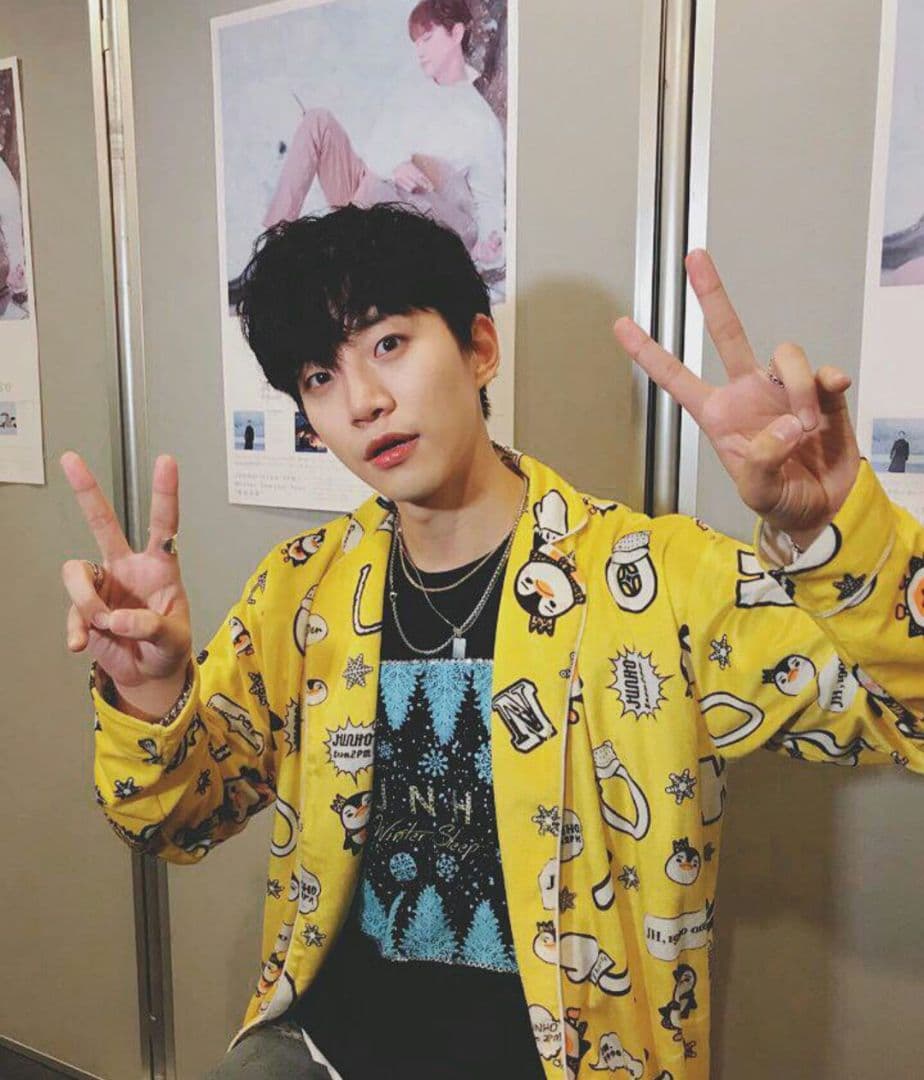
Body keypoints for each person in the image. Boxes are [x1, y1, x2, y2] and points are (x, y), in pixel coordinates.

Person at [61, 204, 924, 1080]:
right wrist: (152, 692)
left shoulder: (656, 582)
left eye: (389, 343)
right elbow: (175, 825)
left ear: (479, 349)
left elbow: (910, 719)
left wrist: (838, 535)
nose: (363, 401)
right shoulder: (301, 590)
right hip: (327, 1050)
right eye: (321, 375)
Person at [228, 0, 505, 307]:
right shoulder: (411, 90)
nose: (420, 51)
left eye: (427, 39)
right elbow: (377, 148)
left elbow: (488, 200)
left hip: (417, 224)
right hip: (370, 195)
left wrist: (486, 247)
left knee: (421, 177)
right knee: (318, 121)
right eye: (416, 43)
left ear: (456, 34)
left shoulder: (479, 120)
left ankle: (337, 263)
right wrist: (395, 165)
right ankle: (268, 259)